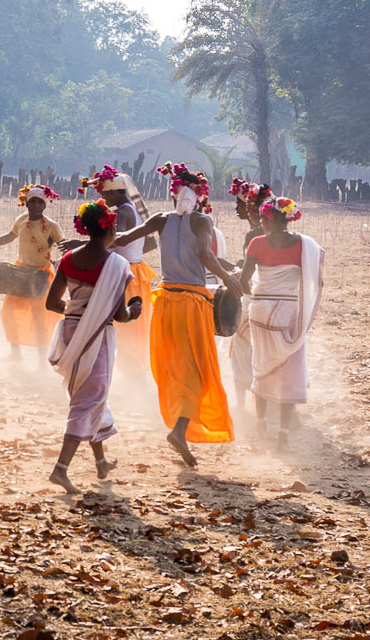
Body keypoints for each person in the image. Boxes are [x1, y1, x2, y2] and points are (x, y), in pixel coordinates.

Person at [120, 163, 239, 467]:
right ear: (197, 197)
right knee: (197, 368)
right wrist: (230, 278)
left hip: (165, 301)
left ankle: (180, 428)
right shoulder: (202, 220)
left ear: (174, 195)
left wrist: (86, 243)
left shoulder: (161, 219)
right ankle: (180, 430)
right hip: (191, 303)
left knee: (175, 366)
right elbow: (204, 255)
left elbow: (123, 239)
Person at [43, 199, 142, 491]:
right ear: (110, 228)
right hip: (97, 337)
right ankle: (61, 469)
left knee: (90, 393)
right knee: (88, 398)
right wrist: (135, 310)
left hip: (71, 332)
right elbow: (120, 315)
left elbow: (52, 303)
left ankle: (101, 462)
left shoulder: (69, 258)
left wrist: (78, 313)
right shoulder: (117, 265)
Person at [235, 197, 324, 447]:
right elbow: (318, 283)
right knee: (290, 370)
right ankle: (283, 434)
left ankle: (261, 424)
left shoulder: (257, 243)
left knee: (261, 367)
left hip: (260, 313)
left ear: (267, 219)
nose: (260, 223)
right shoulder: (305, 246)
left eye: (262, 218)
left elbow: (243, 283)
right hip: (288, 313)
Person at [0, 184, 64, 353]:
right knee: (9, 312)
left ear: (44, 205)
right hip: (20, 272)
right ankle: (15, 353)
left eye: (39, 202)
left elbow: (64, 247)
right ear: (26, 204)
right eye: (32, 202)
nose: (36, 206)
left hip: (41, 274)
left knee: (39, 317)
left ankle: (42, 360)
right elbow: (8, 237)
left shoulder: (51, 226)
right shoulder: (21, 220)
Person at [88, 166, 155, 377]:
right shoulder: (133, 210)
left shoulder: (122, 213)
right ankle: (132, 372)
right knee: (132, 326)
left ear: (114, 192)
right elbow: (150, 243)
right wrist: (132, 253)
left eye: (105, 195)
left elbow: (109, 242)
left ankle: (131, 376)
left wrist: (80, 247)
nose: (104, 200)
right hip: (136, 269)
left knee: (125, 324)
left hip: (126, 273)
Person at [224, 177, 273, 410]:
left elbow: (249, 273)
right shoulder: (275, 232)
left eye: (239, 203)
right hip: (274, 300)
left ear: (250, 208)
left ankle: (242, 406)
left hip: (253, 298)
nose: (236, 208)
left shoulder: (252, 235)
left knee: (242, 349)